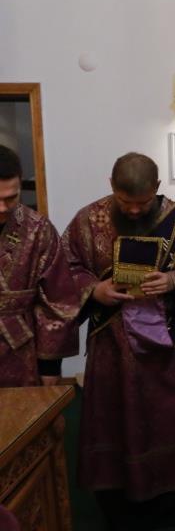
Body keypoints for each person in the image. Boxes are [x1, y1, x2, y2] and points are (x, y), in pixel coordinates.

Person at [62, 152, 175, 531]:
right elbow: (65, 268)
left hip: (170, 347)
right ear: (111, 187)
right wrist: (94, 289)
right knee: (115, 419)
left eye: (143, 202)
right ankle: (121, 509)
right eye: (125, 201)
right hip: (112, 344)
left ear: (157, 189)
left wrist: (174, 281)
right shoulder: (88, 221)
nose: (134, 210)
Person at [0, 145, 79, 387]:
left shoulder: (38, 230)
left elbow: (57, 302)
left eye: (11, 198)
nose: (2, 208)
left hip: (21, 349)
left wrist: (50, 367)